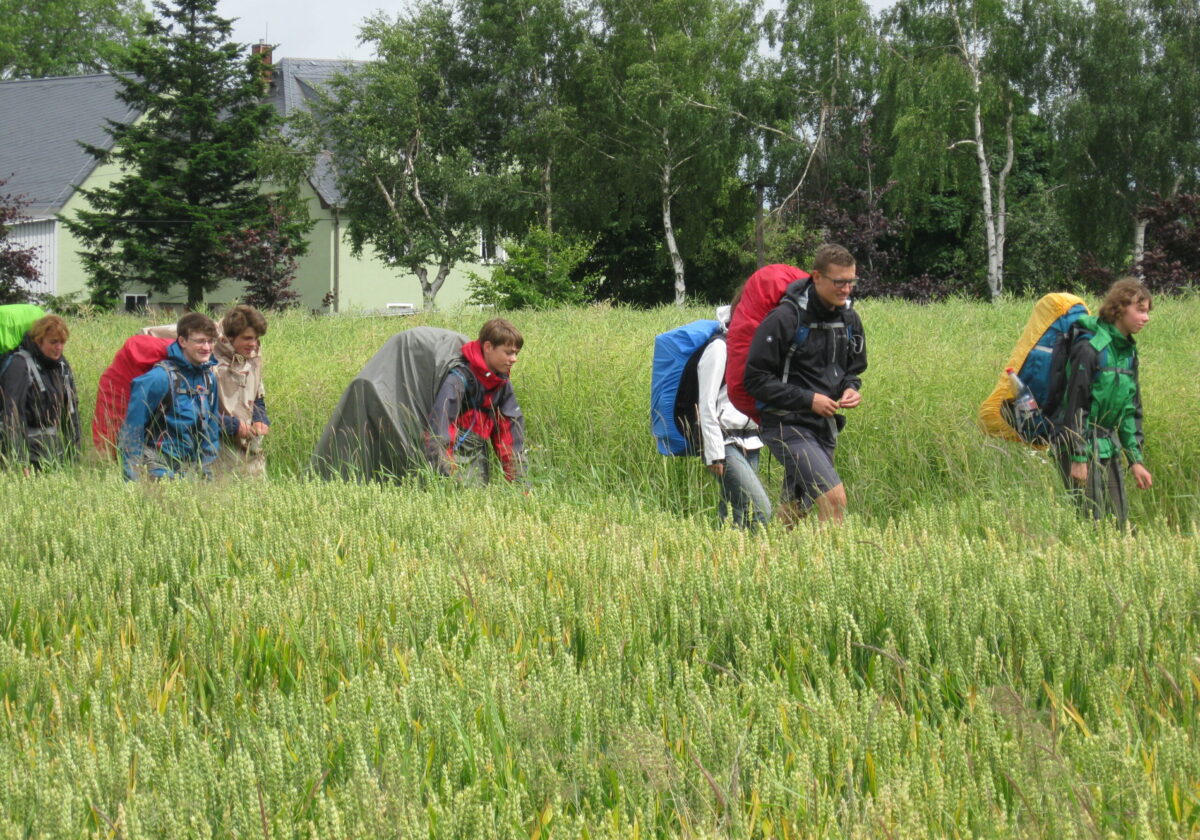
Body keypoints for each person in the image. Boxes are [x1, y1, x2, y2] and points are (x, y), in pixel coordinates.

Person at [743, 243, 867, 524]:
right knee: (834, 501)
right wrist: (809, 400)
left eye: (851, 281)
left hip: (824, 425)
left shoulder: (849, 319)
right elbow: (755, 380)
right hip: (786, 425)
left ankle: (773, 561)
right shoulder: (784, 319)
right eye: (839, 282)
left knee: (795, 511)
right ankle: (830, 568)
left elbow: (853, 369)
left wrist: (851, 388)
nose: (846, 289)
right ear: (817, 276)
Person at [1054, 277, 1153, 525]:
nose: (1146, 318)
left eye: (1147, 312)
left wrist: (1135, 460)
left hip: (1108, 444)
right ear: (1119, 309)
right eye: (1140, 310)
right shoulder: (1090, 349)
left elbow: (1131, 411)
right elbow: (1076, 405)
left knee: (1119, 523)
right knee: (1091, 523)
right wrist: (1078, 457)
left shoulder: (1128, 353)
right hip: (1078, 445)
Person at [120, 311, 220, 481]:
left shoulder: (209, 379)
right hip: (156, 468)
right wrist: (133, 480)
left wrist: (207, 475)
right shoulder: (158, 378)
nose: (207, 347)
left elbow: (211, 432)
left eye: (210, 341)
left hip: (190, 471)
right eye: (200, 341)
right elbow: (132, 431)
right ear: (182, 341)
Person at [425, 317, 526, 484]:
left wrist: (521, 485)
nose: (514, 359)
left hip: (479, 453)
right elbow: (440, 431)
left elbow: (510, 437)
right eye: (508, 352)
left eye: (516, 353)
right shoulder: (459, 379)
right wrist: (447, 478)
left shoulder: (501, 383)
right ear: (488, 347)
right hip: (455, 454)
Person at [697, 304, 771, 528]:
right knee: (762, 511)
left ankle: (724, 558)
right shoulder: (719, 349)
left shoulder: (752, 350)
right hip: (725, 442)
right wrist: (714, 453)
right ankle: (757, 561)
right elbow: (706, 403)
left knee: (736, 510)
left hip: (751, 440)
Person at [0, 314, 80, 470]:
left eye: (62, 342)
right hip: (26, 453)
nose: (59, 348)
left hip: (53, 452)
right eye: (53, 342)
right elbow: (13, 414)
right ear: (38, 340)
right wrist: (19, 461)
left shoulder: (61, 366)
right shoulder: (19, 365)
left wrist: (74, 454)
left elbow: (71, 411)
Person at [213, 305, 270, 478]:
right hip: (217, 444)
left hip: (249, 442)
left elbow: (257, 398)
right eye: (247, 338)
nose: (253, 344)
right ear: (229, 338)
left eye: (256, 338)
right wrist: (234, 426)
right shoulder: (209, 363)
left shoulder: (253, 359)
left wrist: (261, 419)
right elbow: (198, 413)